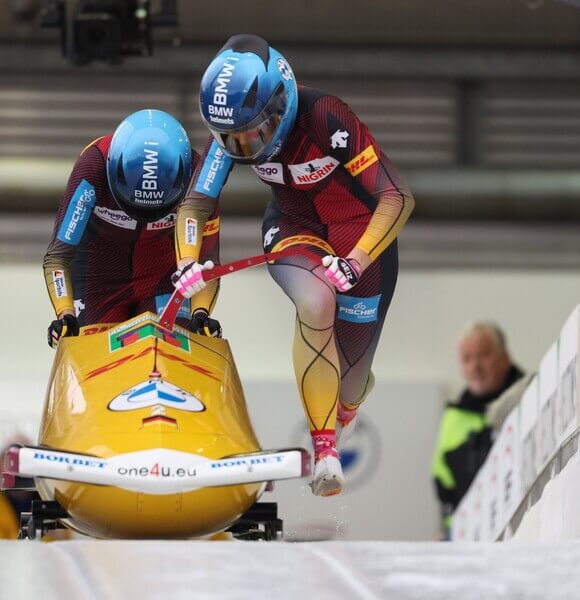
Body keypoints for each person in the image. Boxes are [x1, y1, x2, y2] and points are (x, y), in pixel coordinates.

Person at [171, 34, 415, 496]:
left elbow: (397, 197)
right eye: (230, 139)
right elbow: (193, 206)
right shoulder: (232, 132)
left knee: (353, 381)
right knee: (316, 299)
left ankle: (343, 409)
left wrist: (358, 260)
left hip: (362, 237)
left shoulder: (326, 116)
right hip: (292, 228)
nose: (241, 147)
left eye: (252, 134)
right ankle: (325, 449)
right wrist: (187, 261)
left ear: (280, 107)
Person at [43, 109, 221, 347]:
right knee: (95, 355)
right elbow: (58, 256)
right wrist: (65, 314)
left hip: (163, 276)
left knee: (170, 351)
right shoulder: (92, 167)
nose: (144, 218)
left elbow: (207, 260)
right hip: (98, 279)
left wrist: (200, 313)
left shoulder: (200, 178)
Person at [432, 321, 528, 534]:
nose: (475, 366)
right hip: (467, 535)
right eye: (467, 358)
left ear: (505, 357)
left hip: (523, 529)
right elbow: (443, 483)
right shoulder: (453, 415)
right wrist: (448, 533)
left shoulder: (531, 399)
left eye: (483, 355)